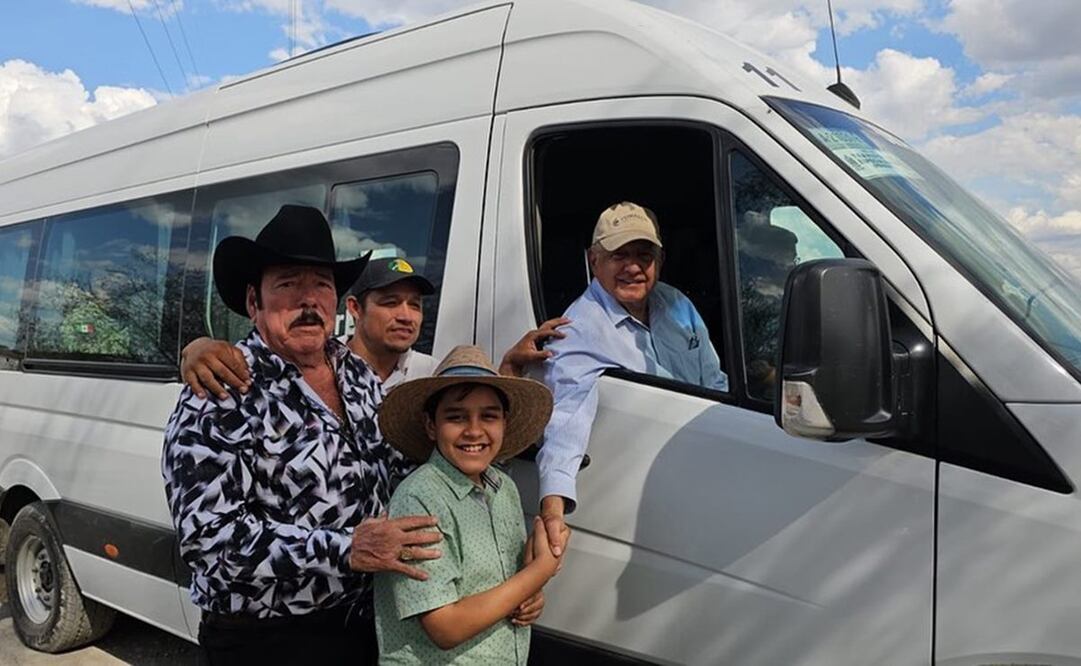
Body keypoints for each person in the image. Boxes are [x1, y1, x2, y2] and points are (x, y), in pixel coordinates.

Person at [161, 205, 442, 665]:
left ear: (336, 300)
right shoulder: (220, 389)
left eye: (321, 286)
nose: (308, 301)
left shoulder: (356, 373)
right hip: (266, 640)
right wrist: (346, 548)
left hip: (360, 623)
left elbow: (398, 469)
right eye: (289, 284)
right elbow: (210, 541)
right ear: (254, 302)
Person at [535, 201, 728, 555]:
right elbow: (565, 416)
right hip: (647, 484)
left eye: (644, 255)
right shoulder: (579, 329)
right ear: (594, 261)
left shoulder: (677, 304)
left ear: (660, 260)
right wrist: (553, 505)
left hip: (707, 458)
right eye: (619, 255)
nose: (634, 267)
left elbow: (714, 381)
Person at [374, 345, 564, 665]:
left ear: (504, 421)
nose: (474, 430)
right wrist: (539, 572)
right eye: (456, 417)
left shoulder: (504, 489)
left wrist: (530, 597)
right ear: (432, 426)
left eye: (488, 416)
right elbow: (444, 627)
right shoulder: (420, 498)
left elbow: (504, 586)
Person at [180, 260, 567, 399]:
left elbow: (472, 428)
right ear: (354, 308)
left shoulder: (430, 376)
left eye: (415, 305)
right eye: (389, 302)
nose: (406, 316)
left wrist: (509, 369)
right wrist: (196, 347)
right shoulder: (320, 369)